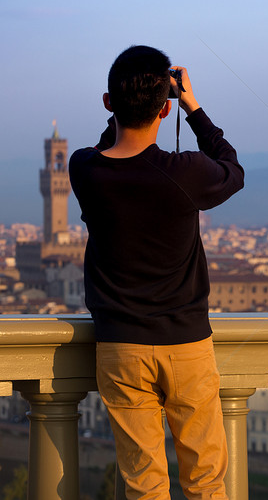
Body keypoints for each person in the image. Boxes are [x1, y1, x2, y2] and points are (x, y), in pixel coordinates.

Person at [69, 45, 244, 499]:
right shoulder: (184, 172)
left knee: (143, 485)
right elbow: (232, 170)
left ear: (108, 103)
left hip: (120, 347)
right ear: (165, 108)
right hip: (187, 343)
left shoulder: (85, 169)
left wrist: (128, 105)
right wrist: (193, 107)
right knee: (206, 481)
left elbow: (110, 145)